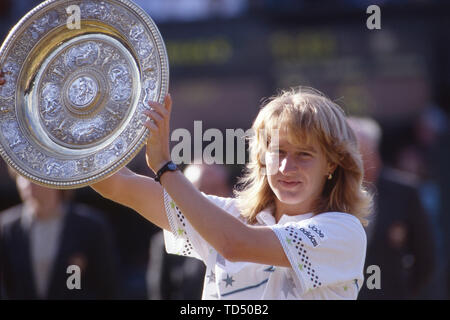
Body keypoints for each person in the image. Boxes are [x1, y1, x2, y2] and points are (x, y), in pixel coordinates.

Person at [91, 86, 372, 300]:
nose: (287, 166)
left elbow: (233, 244)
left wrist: (165, 166)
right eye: (278, 152)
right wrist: (73, 127)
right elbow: (117, 185)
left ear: (332, 164)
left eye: (304, 154)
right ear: (262, 157)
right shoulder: (227, 216)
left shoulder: (344, 231)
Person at [347, 117, 436, 299]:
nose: (352, 162)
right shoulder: (332, 194)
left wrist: (404, 291)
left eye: (359, 153)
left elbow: (425, 257)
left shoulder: (406, 191)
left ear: (373, 152)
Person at [0, 169, 119, 299]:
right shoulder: (7, 228)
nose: (28, 183)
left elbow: (105, 286)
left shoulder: (91, 227)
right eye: (22, 176)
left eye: (35, 175)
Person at [147, 162, 232, 299]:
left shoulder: (245, 236)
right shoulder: (167, 242)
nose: (208, 199)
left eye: (214, 189)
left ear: (228, 191)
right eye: (199, 191)